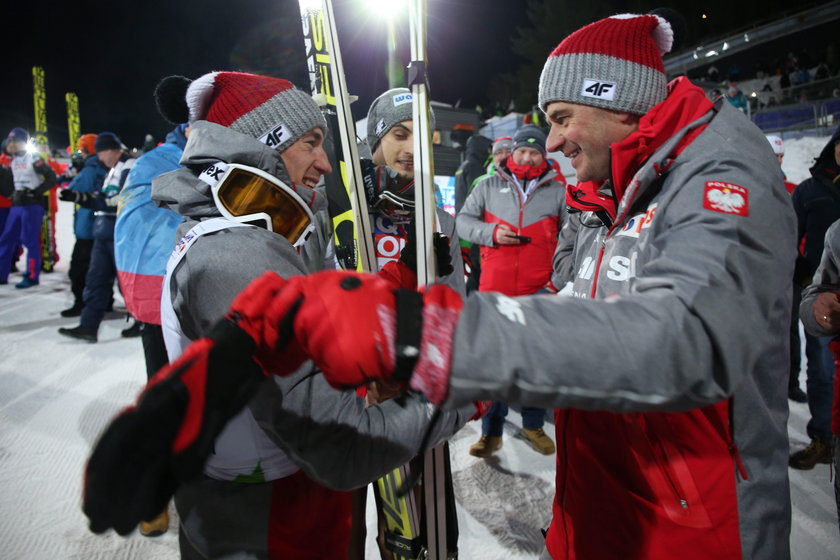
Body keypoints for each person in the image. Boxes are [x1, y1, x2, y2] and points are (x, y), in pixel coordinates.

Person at [230, 13, 796, 559]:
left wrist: (432, 339)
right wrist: (460, 379)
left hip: (694, 527)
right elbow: (588, 308)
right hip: (602, 504)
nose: (549, 143)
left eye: (560, 116)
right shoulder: (618, 184)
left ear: (613, 98)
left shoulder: (719, 172)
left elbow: (685, 338)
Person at [81, 71, 477, 557]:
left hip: (284, 494)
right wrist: (465, 393)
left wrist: (401, 283)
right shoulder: (237, 253)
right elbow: (337, 440)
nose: (325, 164)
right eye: (311, 143)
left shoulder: (267, 231)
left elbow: (318, 308)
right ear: (263, 145)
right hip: (269, 509)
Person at [457, 124, 565, 458]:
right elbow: (462, 222)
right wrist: (491, 233)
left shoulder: (558, 191)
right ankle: (492, 432)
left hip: (538, 291)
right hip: (495, 292)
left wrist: (556, 282)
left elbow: (571, 238)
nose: (528, 157)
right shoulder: (488, 185)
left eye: (535, 152)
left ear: (543, 156)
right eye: (523, 151)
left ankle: (533, 425)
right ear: (512, 152)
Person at [790, 127, 840, 469]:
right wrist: (808, 282)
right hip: (825, 295)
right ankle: (822, 437)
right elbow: (790, 237)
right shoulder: (808, 190)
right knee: (821, 371)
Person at [58, 133, 135, 342]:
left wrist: (89, 200)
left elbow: (122, 200)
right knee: (96, 280)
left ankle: (142, 322)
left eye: (101, 153)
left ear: (111, 149)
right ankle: (88, 326)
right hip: (103, 233)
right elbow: (105, 198)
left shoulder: (129, 165)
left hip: (120, 234)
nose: (99, 158)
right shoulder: (112, 168)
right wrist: (81, 198)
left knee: (126, 283)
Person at [798, 219, 840, 536]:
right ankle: (822, 439)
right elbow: (818, 291)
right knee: (819, 374)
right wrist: (817, 308)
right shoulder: (838, 233)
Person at [766, 134, 808, 404]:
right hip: (762, 271)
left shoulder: (793, 188)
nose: (778, 161)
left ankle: (791, 382)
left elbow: (802, 231)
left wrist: (801, 259)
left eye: (781, 157)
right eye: (774, 156)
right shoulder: (750, 184)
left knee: (790, 328)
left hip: (789, 270)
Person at [57, 133, 108, 316]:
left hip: (88, 227)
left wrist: (68, 180)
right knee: (100, 269)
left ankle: (81, 303)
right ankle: (105, 302)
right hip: (101, 226)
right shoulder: (104, 167)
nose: (81, 154)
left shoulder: (91, 168)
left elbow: (73, 190)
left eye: (82, 149)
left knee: (79, 269)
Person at [0, 128, 56, 288]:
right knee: (6, 238)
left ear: (23, 142)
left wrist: (35, 192)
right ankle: (2, 274)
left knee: (29, 240)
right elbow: (10, 183)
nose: (12, 145)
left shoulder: (34, 158)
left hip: (32, 205)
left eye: (15, 141)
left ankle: (32, 275)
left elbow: (51, 177)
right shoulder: (13, 161)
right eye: (10, 141)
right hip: (16, 205)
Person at [454, 135, 492, 214]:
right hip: (471, 214)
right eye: (488, 148)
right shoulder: (474, 166)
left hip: (462, 212)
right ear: (481, 148)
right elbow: (477, 193)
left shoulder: (464, 165)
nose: (490, 152)